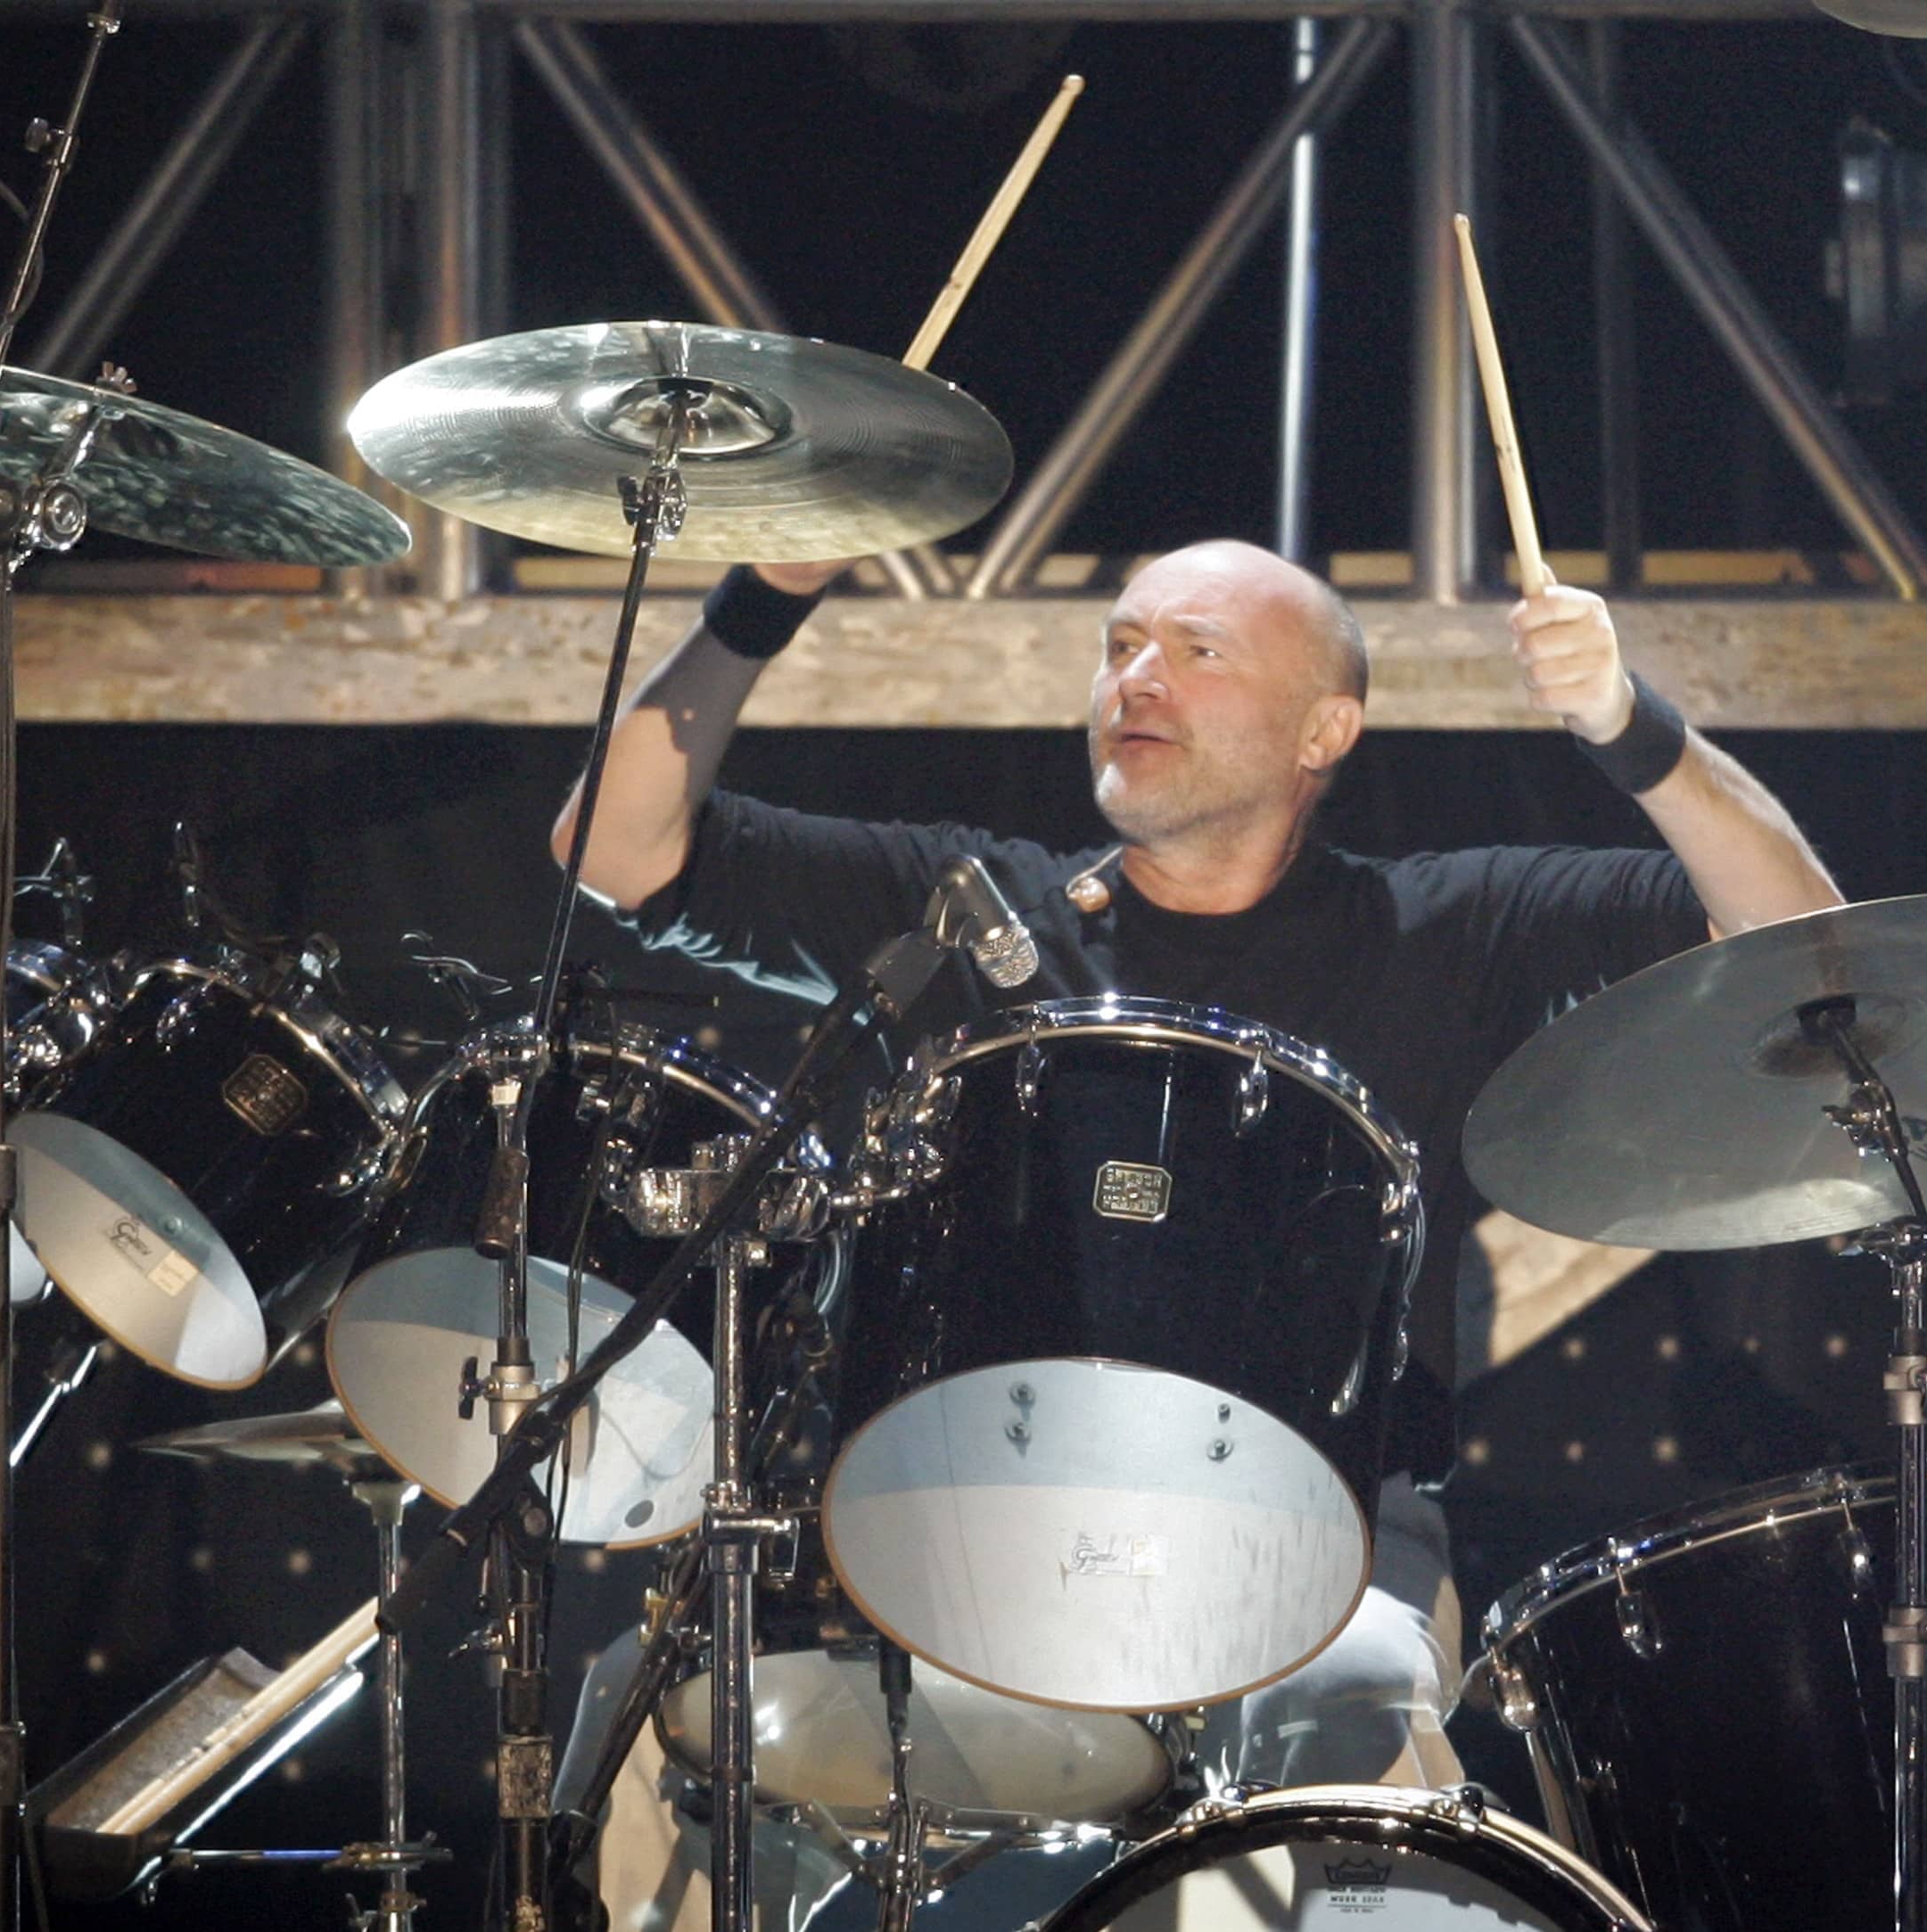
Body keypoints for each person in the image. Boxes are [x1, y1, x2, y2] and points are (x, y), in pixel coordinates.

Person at [546, 539, 1842, 1929]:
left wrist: (1627, 728)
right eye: (1117, 645)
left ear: (1323, 730)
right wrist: (758, 606)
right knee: (648, 1703)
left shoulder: (1444, 927)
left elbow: (1801, 937)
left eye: (1196, 650)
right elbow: (611, 851)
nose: (1134, 679)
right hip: (967, 1531)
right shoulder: (974, 910)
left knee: (1350, 1701)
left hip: (1322, 1548)